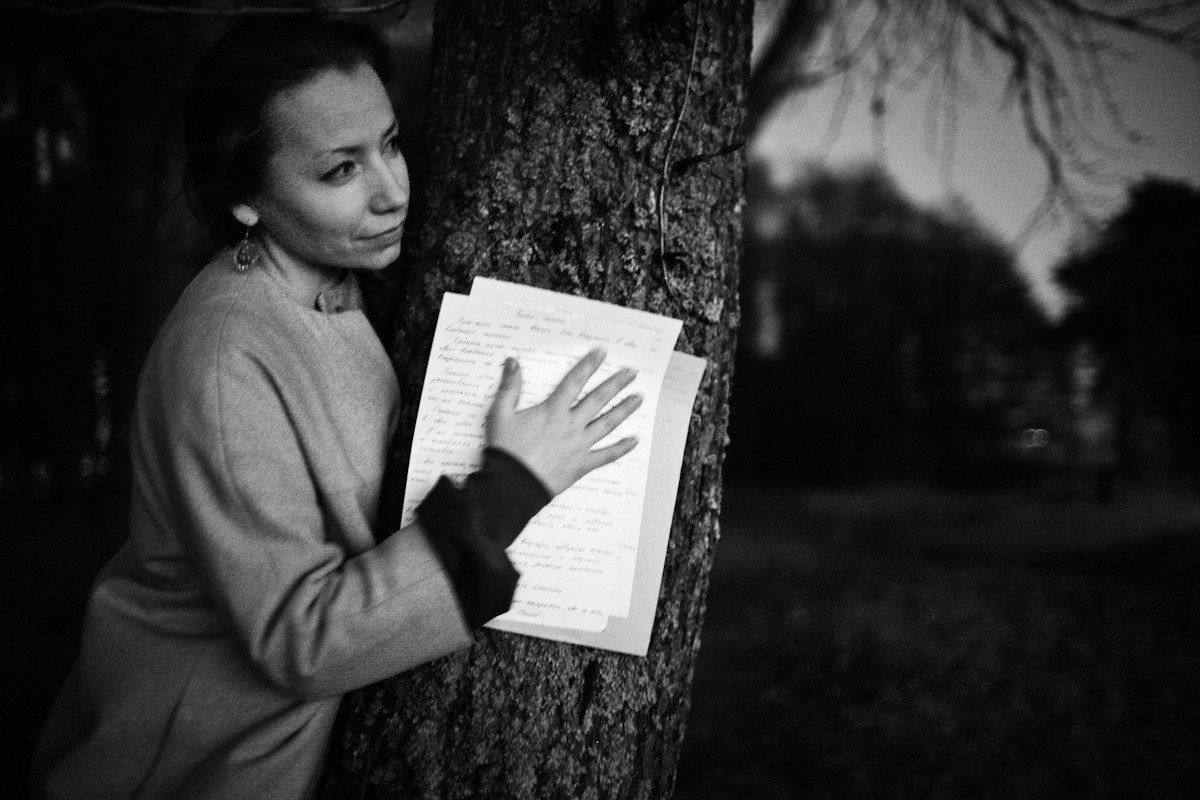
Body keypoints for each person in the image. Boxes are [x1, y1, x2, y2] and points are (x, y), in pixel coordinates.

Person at [31, 18, 641, 800]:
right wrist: (514, 487)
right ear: (247, 199)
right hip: (193, 766)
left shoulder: (334, 284)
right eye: (339, 171)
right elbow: (301, 636)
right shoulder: (225, 356)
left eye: (390, 144)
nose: (392, 191)